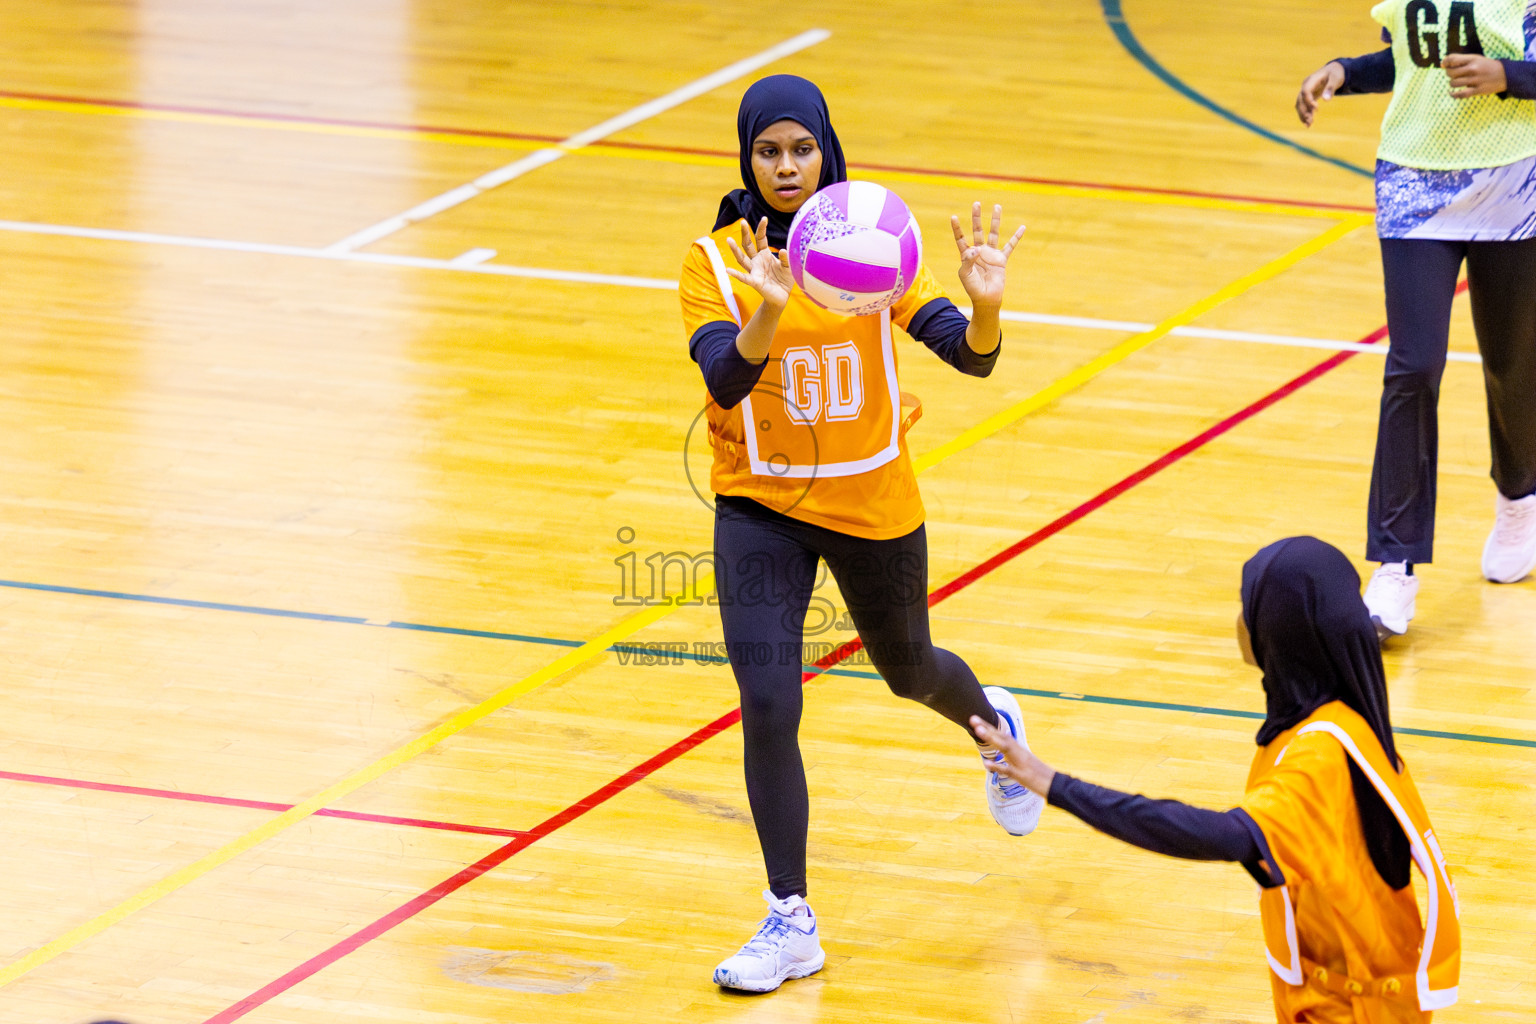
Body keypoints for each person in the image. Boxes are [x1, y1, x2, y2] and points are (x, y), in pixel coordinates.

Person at [678, 74, 1040, 993]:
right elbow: (724, 381)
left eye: (802, 149)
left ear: (826, 148)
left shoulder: (864, 237)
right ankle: (790, 918)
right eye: (769, 151)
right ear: (747, 157)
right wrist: (767, 302)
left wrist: (986, 302)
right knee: (767, 701)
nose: (787, 167)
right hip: (759, 508)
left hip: (872, 501)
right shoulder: (712, 262)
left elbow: (970, 354)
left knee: (908, 670)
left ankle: (993, 725)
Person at [972, 536, 1461, 1023]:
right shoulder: (1346, 715)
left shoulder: (1320, 759)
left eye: (1245, 608)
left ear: (1278, 634)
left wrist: (1052, 783)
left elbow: (1216, 835)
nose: (1238, 623)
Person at [1294, 1, 1536, 637]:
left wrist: (1510, 76)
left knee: (1513, 361)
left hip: (1515, 180)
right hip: (1412, 179)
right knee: (1414, 366)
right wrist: (1346, 70)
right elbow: (1412, 61)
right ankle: (1393, 569)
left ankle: (1518, 496)